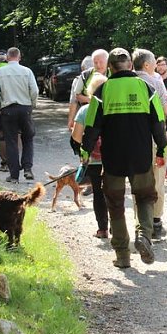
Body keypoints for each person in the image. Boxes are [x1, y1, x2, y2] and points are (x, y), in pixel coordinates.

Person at [81, 48, 167, 268]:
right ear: (130, 65)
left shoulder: (102, 91)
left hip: (113, 159)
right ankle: (144, 236)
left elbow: (91, 126)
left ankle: (122, 255)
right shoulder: (146, 88)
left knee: (116, 204)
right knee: (145, 197)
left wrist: (85, 152)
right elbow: (158, 121)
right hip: (140, 156)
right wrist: (161, 148)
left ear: (110, 67)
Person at [133, 48, 167, 239]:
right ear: (147, 65)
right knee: (157, 180)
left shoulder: (128, 81)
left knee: (138, 180)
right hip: (155, 136)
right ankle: (156, 222)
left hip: (134, 137)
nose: (157, 66)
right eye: (154, 62)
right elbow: (166, 108)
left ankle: (140, 222)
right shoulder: (156, 81)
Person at [0, 47, 39, 183]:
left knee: (11, 142)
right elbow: (34, 90)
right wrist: (32, 105)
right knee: (28, 138)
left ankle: (13, 175)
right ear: (19, 57)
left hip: (7, 109)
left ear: (7, 57)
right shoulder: (27, 71)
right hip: (25, 108)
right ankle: (28, 168)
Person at [71, 73, 109, 239]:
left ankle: (102, 229)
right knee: (115, 192)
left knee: (98, 193)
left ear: (91, 92)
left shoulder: (86, 110)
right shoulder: (114, 108)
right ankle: (117, 227)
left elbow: (76, 137)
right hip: (114, 158)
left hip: (93, 159)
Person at [68, 50, 108, 131]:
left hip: (109, 114)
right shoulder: (85, 75)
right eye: (95, 62)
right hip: (90, 113)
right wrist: (92, 100)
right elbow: (76, 96)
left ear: (107, 62)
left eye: (101, 62)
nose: (98, 65)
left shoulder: (114, 73)